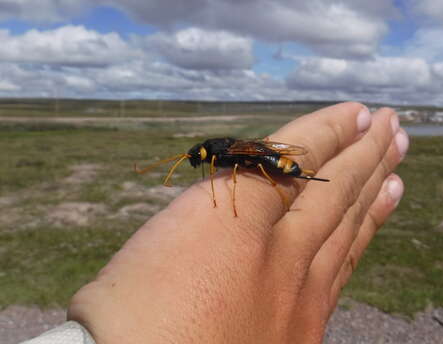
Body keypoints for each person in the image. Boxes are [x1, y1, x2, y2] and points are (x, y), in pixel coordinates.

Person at [23, 102, 409, 344]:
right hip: (273, 158)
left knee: (260, 166)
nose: (200, 161)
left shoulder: (224, 154)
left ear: (208, 154)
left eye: (200, 158)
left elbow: (243, 162)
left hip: (276, 162)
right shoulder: (215, 153)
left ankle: (294, 179)